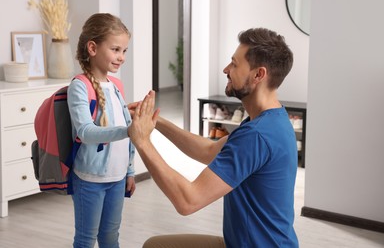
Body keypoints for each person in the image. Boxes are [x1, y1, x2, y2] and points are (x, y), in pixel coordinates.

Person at [128, 27, 299, 247]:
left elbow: (188, 201)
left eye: (235, 64)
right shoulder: (271, 120)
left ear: (258, 75)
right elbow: (208, 151)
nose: (226, 69)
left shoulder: (256, 136)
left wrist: (143, 142)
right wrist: (156, 121)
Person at [67, 13, 136, 248]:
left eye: (124, 51)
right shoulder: (79, 86)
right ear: (93, 48)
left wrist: (129, 171)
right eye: (116, 49)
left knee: (110, 237)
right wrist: (129, 130)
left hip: (117, 178)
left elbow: (126, 136)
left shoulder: (116, 86)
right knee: (86, 240)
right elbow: (85, 132)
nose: (122, 57)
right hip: (90, 179)